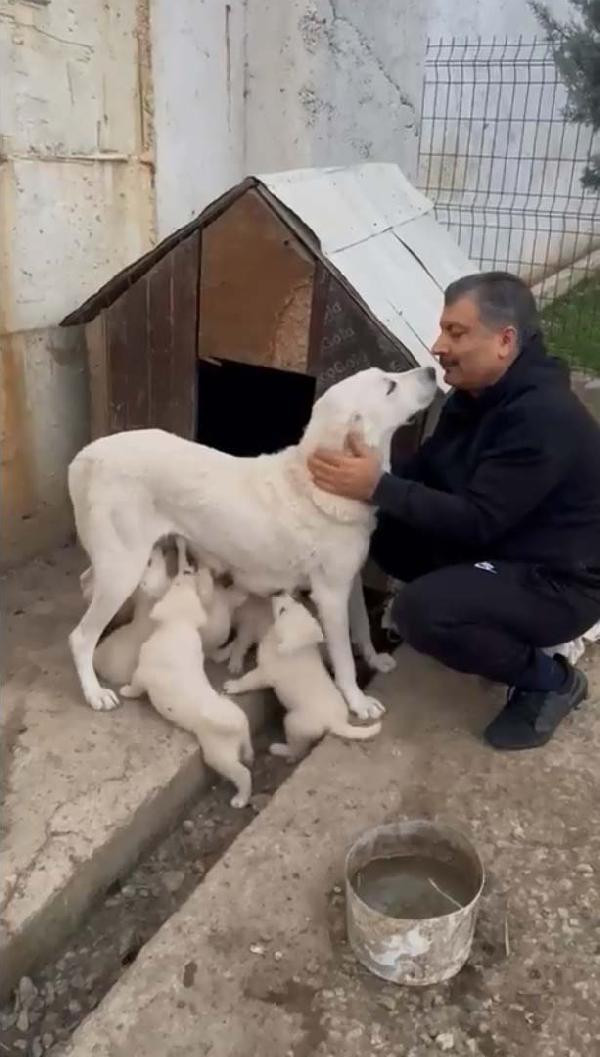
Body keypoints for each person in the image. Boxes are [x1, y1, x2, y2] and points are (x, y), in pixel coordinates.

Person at [307, 272, 600, 751]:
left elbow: (477, 518)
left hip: (558, 580)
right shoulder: (475, 396)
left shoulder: (544, 417)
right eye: (442, 330)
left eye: (456, 333)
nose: (438, 346)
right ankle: (474, 603)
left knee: (422, 611)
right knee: (377, 523)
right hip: (502, 544)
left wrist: (378, 484)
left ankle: (550, 680)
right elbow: (426, 473)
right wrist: (365, 472)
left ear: (505, 341)